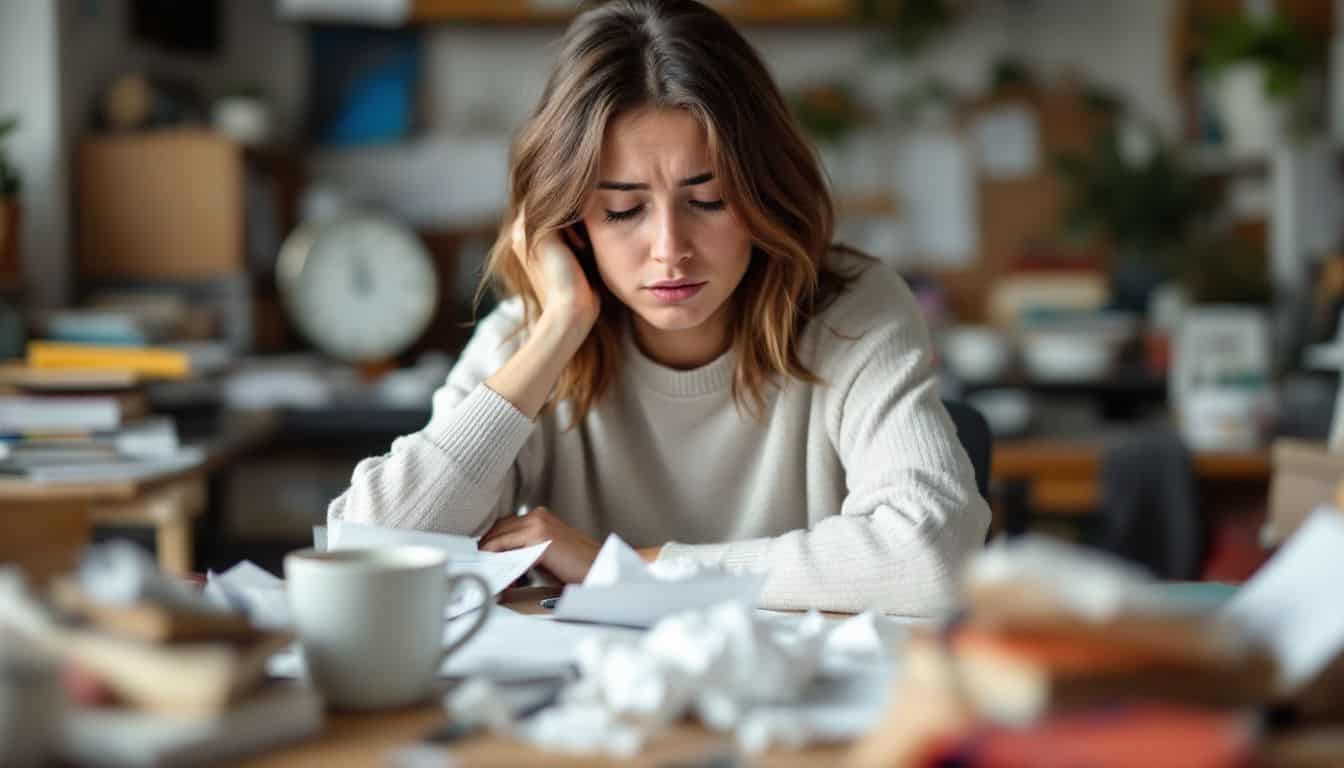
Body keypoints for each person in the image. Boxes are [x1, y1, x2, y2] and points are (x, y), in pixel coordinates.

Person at [328, 0, 990, 616]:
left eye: (708, 201)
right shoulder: (531, 339)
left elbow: (931, 556)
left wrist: (631, 572)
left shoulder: (853, 310)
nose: (670, 250)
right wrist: (559, 328)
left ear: (762, 198)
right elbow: (361, 555)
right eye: (623, 209)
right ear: (570, 221)